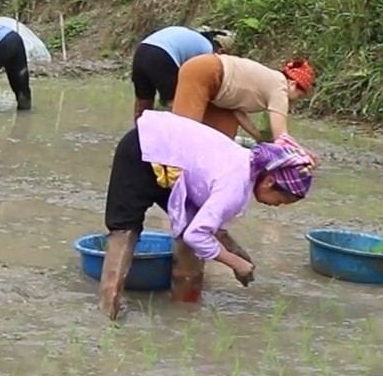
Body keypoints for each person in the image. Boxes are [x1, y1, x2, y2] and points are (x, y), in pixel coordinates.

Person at [97, 110, 318, 320]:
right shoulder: (235, 185)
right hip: (143, 147)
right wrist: (235, 263)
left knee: (191, 235)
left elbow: (207, 223)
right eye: (282, 200)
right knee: (125, 230)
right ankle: (109, 311)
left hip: (173, 161)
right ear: (270, 181)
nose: (278, 206)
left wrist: (237, 252)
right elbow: (198, 235)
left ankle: (184, 312)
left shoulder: (247, 167)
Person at [167, 54, 316, 142]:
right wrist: (302, 154)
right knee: (184, 135)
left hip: (218, 91)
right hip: (206, 72)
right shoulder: (280, 88)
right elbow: (281, 138)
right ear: (293, 84)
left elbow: (237, 110)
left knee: (222, 143)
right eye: (299, 95)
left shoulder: (272, 82)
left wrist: (258, 136)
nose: (296, 100)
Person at [130, 25, 236, 119]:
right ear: (220, 51)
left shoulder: (192, 37)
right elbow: (197, 81)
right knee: (176, 104)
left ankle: (138, 136)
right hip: (163, 55)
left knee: (143, 104)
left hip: (141, 51)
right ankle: (174, 137)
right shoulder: (208, 50)